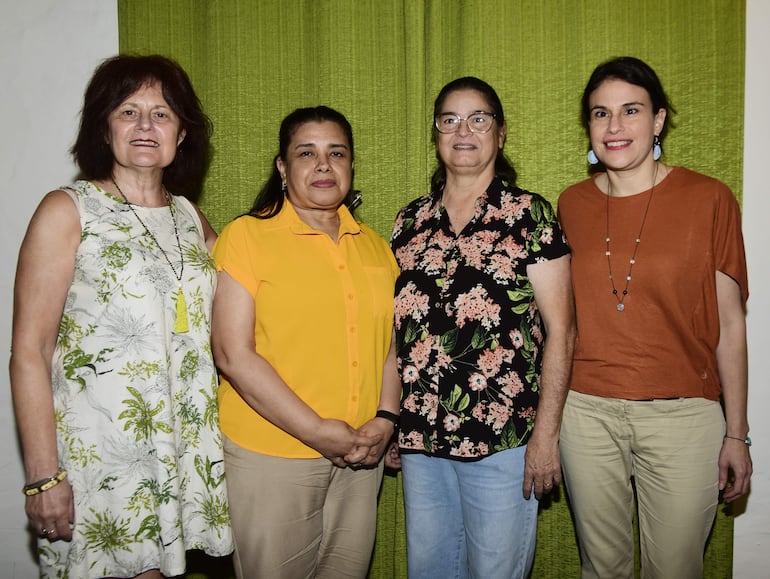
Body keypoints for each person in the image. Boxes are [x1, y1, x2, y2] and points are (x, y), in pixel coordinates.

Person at [9, 55, 233, 578]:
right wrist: (43, 477)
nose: (145, 126)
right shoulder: (67, 210)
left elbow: (245, 311)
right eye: (128, 111)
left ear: (182, 133)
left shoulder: (189, 216)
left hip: (180, 449)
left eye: (162, 113)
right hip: (100, 458)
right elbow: (29, 352)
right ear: (103, 127)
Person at [557, 56, 752, 579]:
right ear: (589, 127)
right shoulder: (569, 205)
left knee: (675, 570)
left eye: (631, 111)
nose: (614, 127)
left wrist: (738, 433)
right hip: (586, 414)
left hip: (684, 418)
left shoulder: (709, 198)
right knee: (602, 569)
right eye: (600, 114)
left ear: (659, 119)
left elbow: (731, 326)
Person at [388, 77, 576, 579]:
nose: (463, 131)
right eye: (449, 120)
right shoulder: (409, 224)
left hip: (504, 441)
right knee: (429, 570)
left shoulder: (529, 216)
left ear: (500, 132)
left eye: (478, 119)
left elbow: (563, 332)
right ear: (436, 133)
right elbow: (394, 338)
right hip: (421, 442)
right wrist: (388, 419)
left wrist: (546, 436)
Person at [211, 105, 400, 579]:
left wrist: (386, 419)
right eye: (306, 153)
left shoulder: (376, 246)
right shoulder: (246, 237)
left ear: (352, 164)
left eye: (336, 152)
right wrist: (317, 431)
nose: (323, 165)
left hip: (361, 457)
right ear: (282, 167)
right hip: (271, 455)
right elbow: (232, 354)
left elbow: (388, 348)